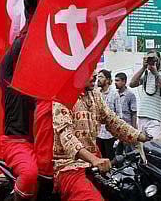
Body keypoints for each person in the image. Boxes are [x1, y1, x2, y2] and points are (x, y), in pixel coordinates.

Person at [0, 0, 82, 200]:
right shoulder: (37, 13)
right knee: (32, 175)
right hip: (19, 135)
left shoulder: (63, 28)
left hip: (51, 136)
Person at [53, 73, 150, 201]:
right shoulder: (63, 97)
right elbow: (67, 137)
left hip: (95, 166)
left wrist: (144, 138)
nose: (94, 75)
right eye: (88, 70)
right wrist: (94, 160)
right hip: (69, 166)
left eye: (94, 70)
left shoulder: (95, 95)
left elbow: (113, 121)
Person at [129, 50, 161, 140]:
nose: (151, 61)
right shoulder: (146, 74)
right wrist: (143, 68)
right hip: (142, 117)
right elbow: (132, 84)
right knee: (142, 148)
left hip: (155, 119)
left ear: (159, 60)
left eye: (153, 58)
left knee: (154, 147)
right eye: (148, 59)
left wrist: (155, 73)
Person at [95, 69, 122, 160]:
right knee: (100, 159)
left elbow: (119, 115)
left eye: (101, 77)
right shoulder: (96, 94)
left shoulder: (114, 94)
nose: (98, 79)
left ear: (107, 80)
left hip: (110, 134)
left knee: (110, 159)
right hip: (98, 134)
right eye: (98, 77)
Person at [114, 72, 137, 154]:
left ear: (124, 82)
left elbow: (134, 113)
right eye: (115, 80)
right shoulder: (114, 94)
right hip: (116, 128)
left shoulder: (130, 95)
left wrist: (134, 130)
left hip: (127, 128)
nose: (115, 83)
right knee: (117, 152)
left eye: (118, 80)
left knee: (129, 152)